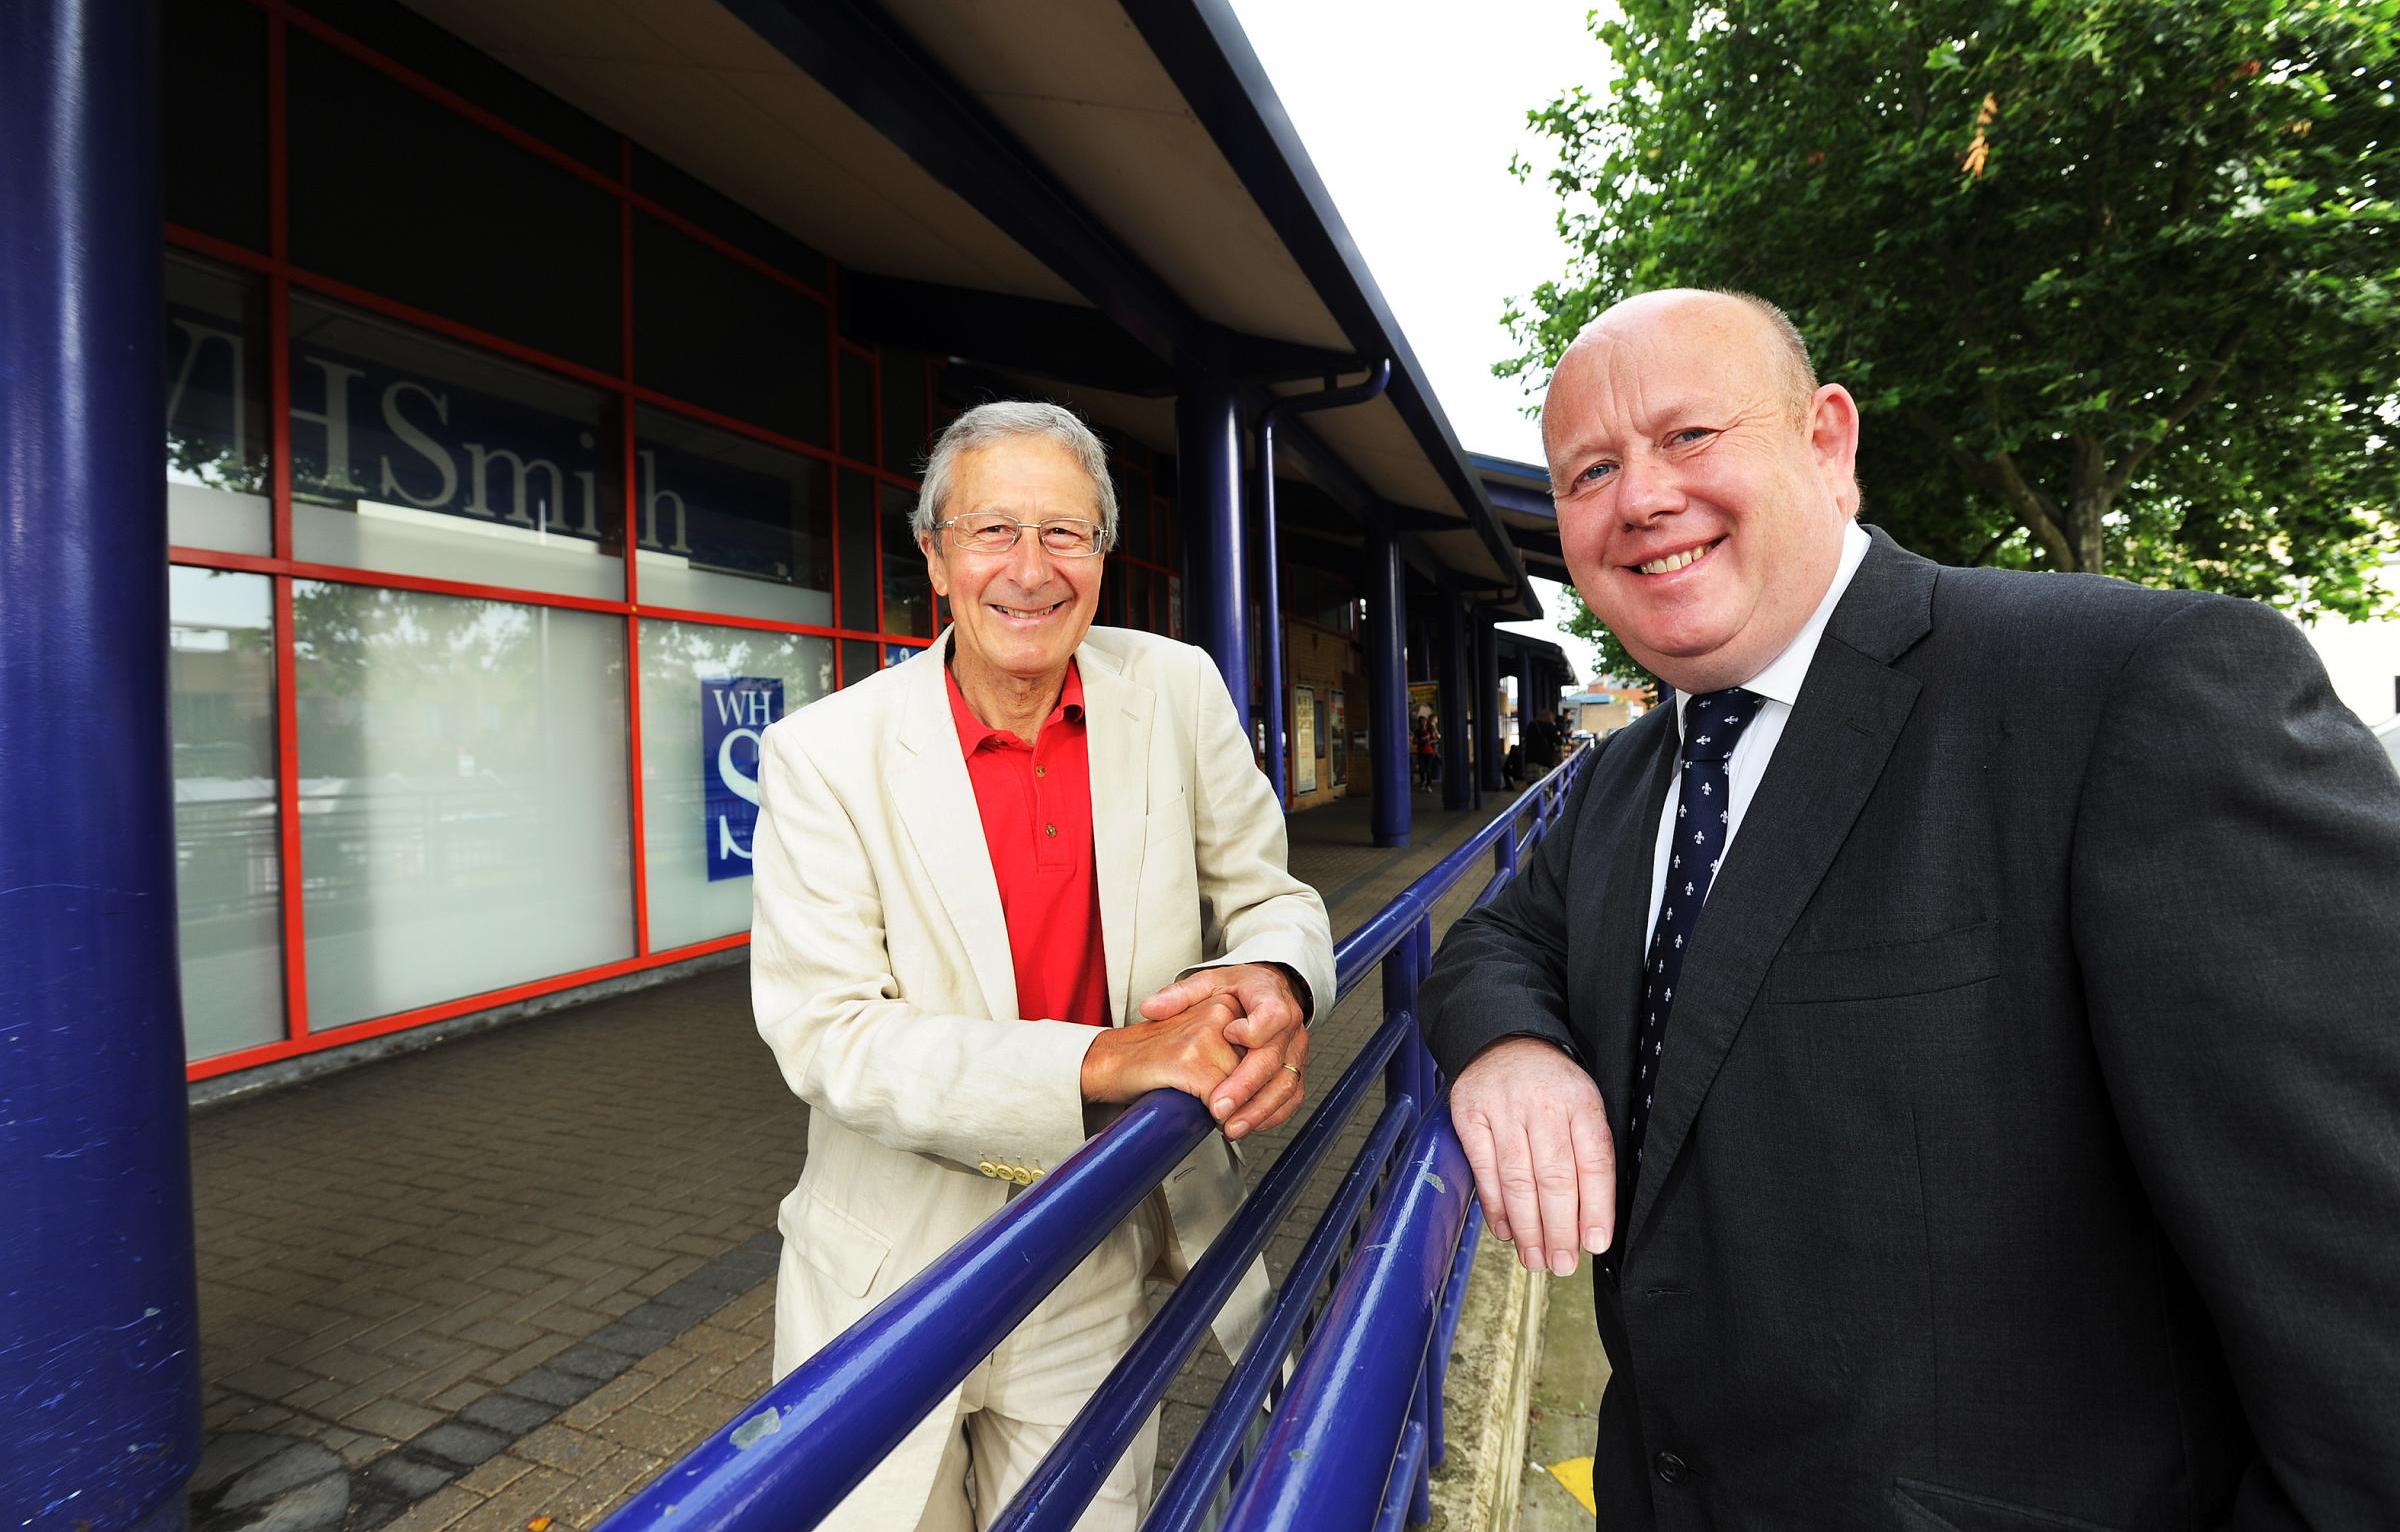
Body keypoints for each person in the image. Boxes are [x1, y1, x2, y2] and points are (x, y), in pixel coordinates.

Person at [1419, 289, 2400, 1529]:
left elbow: (2365, 1312)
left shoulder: (2128, 692)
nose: (1642, 498)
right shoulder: (1624, 775)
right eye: (1590, 470)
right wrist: (1512, 1047)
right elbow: (1501, 937)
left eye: (1688, 437)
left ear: (1829, 442)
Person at [750, 400, 1336, 1532]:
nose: (1030, 570)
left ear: (1106, 553)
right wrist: (1108, 1060)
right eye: (992, 532)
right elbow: (828, 1035)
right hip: (892, 1283)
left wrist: (1279, 979)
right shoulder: (822, 753)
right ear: (934, 553)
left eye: (1065, 533)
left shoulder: (1176, 690)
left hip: (1093, 1241)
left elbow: (1273, 896)